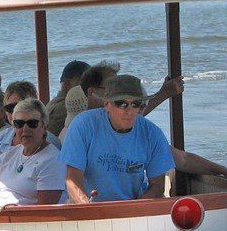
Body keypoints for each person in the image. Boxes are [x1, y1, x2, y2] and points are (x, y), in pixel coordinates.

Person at [58, 74, 176, 203]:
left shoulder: (153, 133)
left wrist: (132, 212)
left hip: (133, 206)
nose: (129, 111)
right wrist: (89, 209)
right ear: (107, 104)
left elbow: (158, 186)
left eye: (135, 104)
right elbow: (72, 179)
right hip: (86, 206)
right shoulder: (83, 125)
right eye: (122, 104)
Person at [46, 60, 89, 136]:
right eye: (85, 83)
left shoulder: (54, 103)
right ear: (68, 84)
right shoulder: (69, 107)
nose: (88, 87)